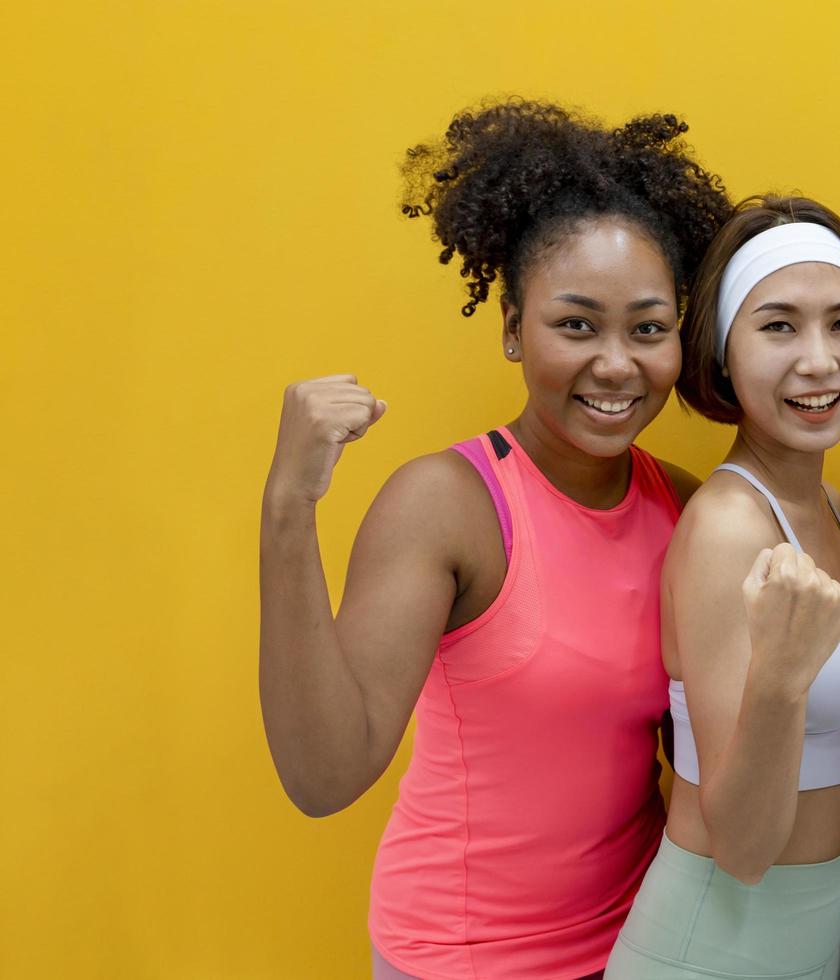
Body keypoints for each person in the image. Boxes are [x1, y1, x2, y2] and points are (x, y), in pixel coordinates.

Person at [258, 99, 731, 979]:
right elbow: (323, 776)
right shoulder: (450, 504)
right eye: (577, 324)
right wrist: (289, 509)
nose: (618, 364)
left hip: (644, 946)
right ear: (513, 328)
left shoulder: (690, 511)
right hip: (460, 958)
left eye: (649, 328)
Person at [606, 196, 840, 980]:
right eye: (778, 326)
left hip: (815, 931)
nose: (820, 361)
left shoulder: (828, 508)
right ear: (723, 354)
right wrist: (783, 671)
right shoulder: (729, 531)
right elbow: (741, 849)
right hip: (709, 945)